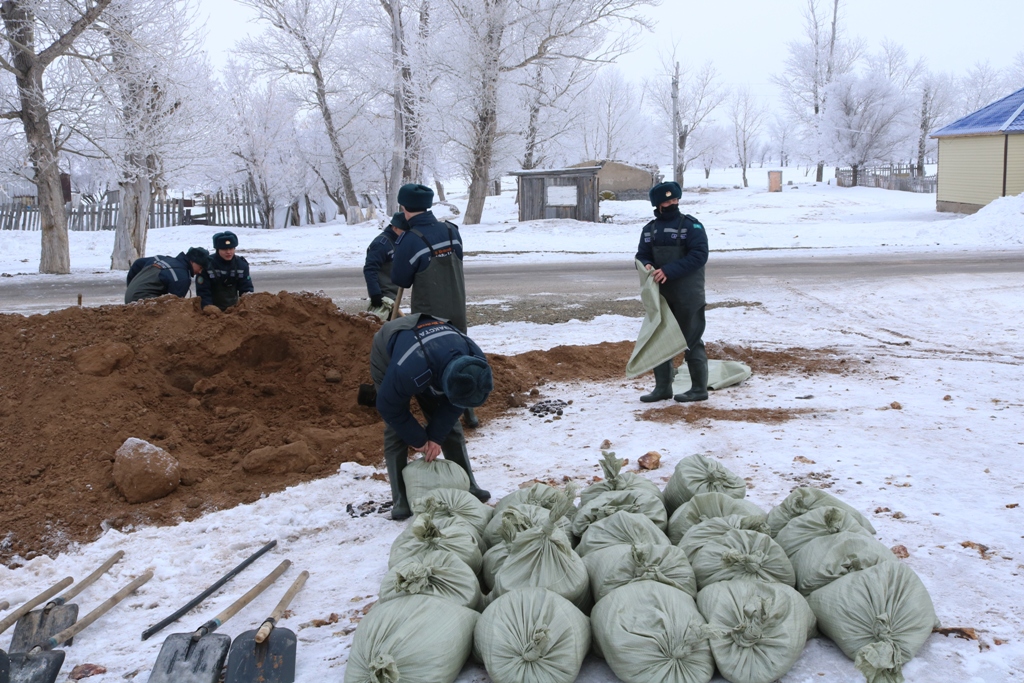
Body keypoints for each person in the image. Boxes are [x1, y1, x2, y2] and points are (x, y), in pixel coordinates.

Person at [370, 313, 493, 520]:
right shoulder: (409, 370)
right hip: (392, 347)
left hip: (436, 345)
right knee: (396, 429)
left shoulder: (476, 361)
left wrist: (435, 436)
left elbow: (455, 404)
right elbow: (388, 406)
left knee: (448, 426)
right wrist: (418, 439)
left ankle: (468, 483)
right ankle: (401, 498)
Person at [390, 183, 480, 427]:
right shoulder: (451, 230)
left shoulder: (410, 240)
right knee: (461, 357)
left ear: (403, 206)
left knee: (436, 365)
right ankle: (469, 410)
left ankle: (444, 420)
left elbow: (400, 280)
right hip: (457, 307)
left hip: (431, 314)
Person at [635, 181, 709, 402]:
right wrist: (646, 264)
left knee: (692, 339)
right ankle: (663, 388)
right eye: (667, 201)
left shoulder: (692, 227)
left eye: (675, 199)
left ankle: (699, 390)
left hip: (688, 294)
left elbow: (699, 255)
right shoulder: (649, 230)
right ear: (657, 205)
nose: (672, 203)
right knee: (659, 339)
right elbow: (642, 254)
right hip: (661, 295)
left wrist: (669, 270)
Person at [362, 212, 407, 320]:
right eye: (404, 231)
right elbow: (370, 269)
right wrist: (375, 294)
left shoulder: (398, 241)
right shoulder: (380, 244)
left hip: (395, 294)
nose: (406, 234)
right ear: (395, 227)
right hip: (384, 296)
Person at [125, 247, 210, 303]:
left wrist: (131, 287)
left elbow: (138, 263)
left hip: (130, 298)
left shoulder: (163, 259)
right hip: (143, 303)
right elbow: (174, 307)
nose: (200, 272)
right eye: (200, 267)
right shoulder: (182, 277)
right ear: (192, 261)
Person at [196, 231, 254, 311]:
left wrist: (245, 306)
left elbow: (246, 289)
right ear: (217, 249)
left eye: (231, 248)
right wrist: (208, 307)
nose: (228, 252)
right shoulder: (207, 265)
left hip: (234, 310)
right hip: (211, 312)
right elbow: (203, 291)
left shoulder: (241, 265)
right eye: (224, 249)